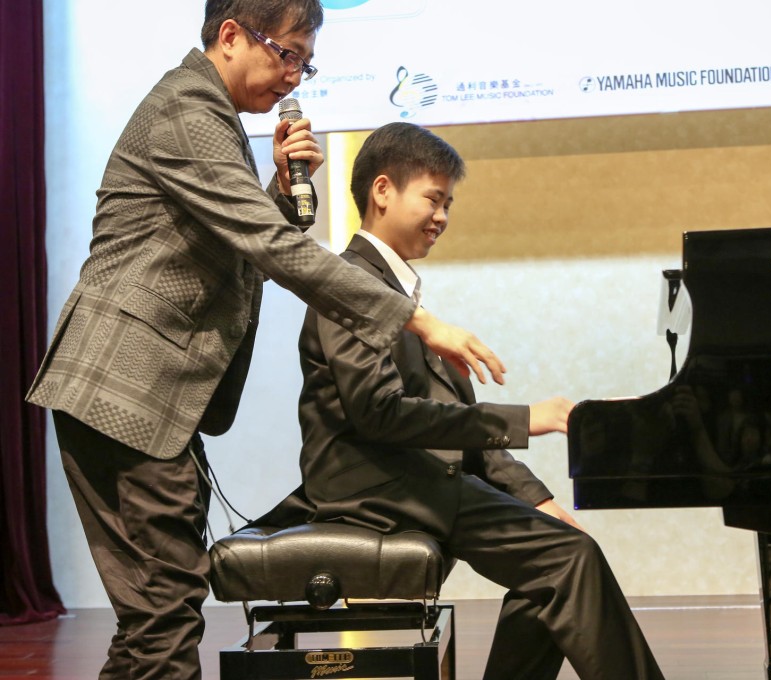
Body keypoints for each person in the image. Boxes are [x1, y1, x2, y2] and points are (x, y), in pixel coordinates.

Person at [25, 3, 506, 678]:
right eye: (287, 54)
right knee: (162, 613)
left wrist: (281, 191)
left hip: (134, 395)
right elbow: (272, 248)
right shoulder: (189, 112)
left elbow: (232, 247)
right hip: (125, 386)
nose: (294, 76)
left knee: (152, 621)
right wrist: (414, 318)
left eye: (304, 63)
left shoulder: (207, 115)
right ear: (231, 36)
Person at [257, 121, 664, 680]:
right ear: (382, 191)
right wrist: (530, 420)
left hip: (410, 476)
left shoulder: (397, 293)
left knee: (561, 559)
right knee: (572, 561)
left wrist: (534, 498)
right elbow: (380, 415)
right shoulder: (349, 282)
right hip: (374, 484)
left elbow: (453, 430)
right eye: (432, 198)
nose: (442, 216)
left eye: (448, 202)